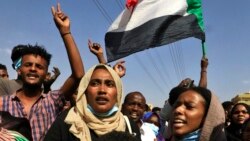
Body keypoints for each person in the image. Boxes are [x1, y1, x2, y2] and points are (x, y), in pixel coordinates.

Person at [0, 3, 84, 141]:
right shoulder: (3, 103)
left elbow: (78, 74)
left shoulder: (53, 101)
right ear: (19, 69)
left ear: (46, 74)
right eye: (28, 65)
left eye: (39, 67)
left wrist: (65, 31)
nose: (33, 69)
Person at [44, 64, 141, 141]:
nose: (102, 90)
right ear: (85, 90)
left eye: (109, 84)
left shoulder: (129, 126)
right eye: (95, 83)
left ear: (118, 92)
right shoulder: (67, 121)